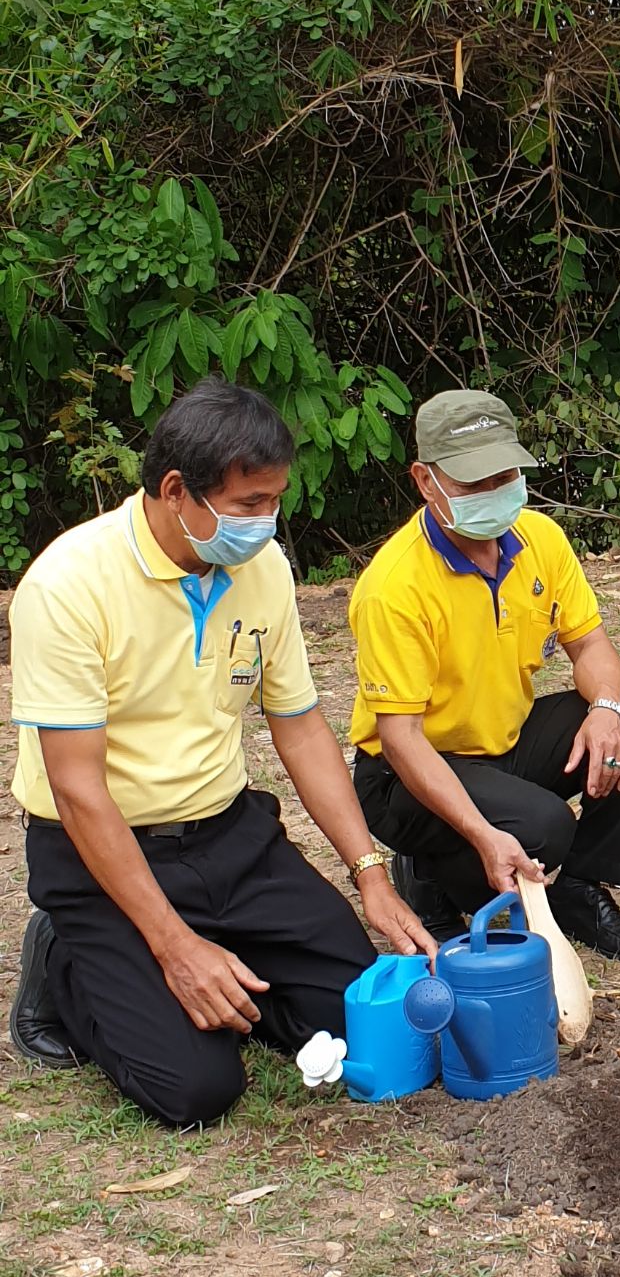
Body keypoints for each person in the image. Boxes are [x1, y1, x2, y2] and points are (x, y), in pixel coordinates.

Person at [7, 378, 433, 1127]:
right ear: (177, 491)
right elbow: (77, 790)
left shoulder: (262, 569)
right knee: (198, 1090)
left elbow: (298, 726)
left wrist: (369, 873)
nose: (266, 523)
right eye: (247, 505)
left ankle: (214, 951)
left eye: (274, 501)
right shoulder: (68, 585)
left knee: (356, 1019)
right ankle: (66, 960)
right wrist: (173, 947)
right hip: (102, 851)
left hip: (230, 838)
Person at [348, 389, 620, 961]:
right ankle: (430, 871)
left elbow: (591, 644)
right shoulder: (394, 587)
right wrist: (480, 831)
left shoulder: (540, 538)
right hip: (406, 771)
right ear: (426, 481)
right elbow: (400, 737)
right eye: (473, 483)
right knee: (543, 827)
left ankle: (576, 889)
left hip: (505, 739)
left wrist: (604, 710)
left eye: (505, 475)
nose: (496, 493)